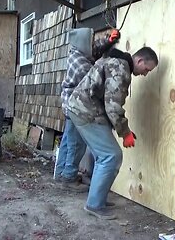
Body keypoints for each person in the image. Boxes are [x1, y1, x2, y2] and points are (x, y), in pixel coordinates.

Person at [67, 44, 158, 219]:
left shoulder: (114, 60)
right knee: (111, 156)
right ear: (139, 60)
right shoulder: (121, 68)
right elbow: (113, 107)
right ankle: (94, 205)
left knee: (103, 155)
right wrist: (125, 134)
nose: (146, 73)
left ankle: (97, 199)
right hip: (85, 111)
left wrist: (125, 130)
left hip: (81, 108)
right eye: (147, 69)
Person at [54, 28, 120, 192]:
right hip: (77, 107)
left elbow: (95, 50)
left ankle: (61, 173)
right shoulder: (80, 64)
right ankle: (69, 177)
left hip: (69, 105)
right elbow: (94, 82)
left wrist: (108, 40)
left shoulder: (78, 52)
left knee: (68, 141)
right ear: (83, 43)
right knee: (76, 143)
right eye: (90, 41)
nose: (92, 44)